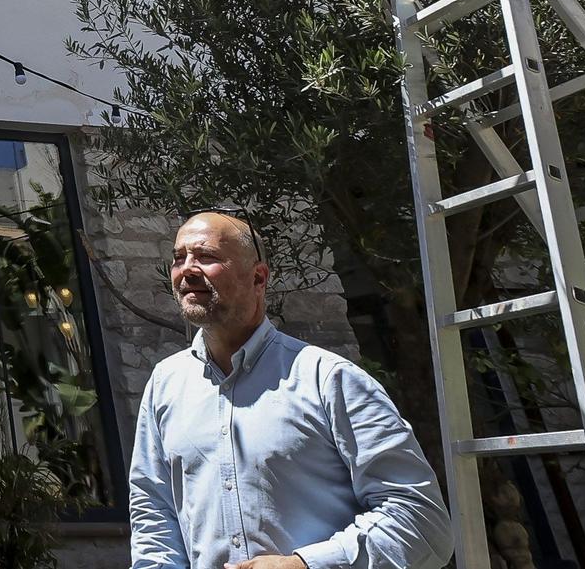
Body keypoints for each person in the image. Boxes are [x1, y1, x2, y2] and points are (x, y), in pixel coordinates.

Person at [129, 211, 453, 569]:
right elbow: (154, 515)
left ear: (258, 277)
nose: (187, 269)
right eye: (179, 257)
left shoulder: (330, 381)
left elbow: (422, 522)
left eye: (206, 256)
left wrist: (306, 565)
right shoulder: (166, 384)